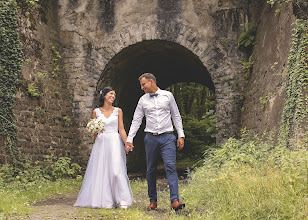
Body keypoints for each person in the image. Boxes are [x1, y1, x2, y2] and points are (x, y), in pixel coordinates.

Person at [125, 73, 185, 211]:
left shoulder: (168, 95)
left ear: (151, 82)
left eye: (143, 84)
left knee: (170, 166)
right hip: (150, 138)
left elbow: (176, 116)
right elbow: (136, 120)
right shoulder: (142, 100)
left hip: (168, 137)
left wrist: (181, 135)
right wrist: (129, 139)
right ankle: (153, 201)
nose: (142, 87)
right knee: (151, 169)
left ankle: (174, 200)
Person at [74, 87, 133, 209]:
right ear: (104, 96)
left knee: (116, 170)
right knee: (102, 171)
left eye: (114, 94)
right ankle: (106, 201)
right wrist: (94, 132)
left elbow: (121, 129)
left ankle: (122, 199)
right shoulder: (96, 112)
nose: (113, 96)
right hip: (101, 142)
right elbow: (93, 132)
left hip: (114, 141)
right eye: (111, 93)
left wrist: (127, 142)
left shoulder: (118, 111)